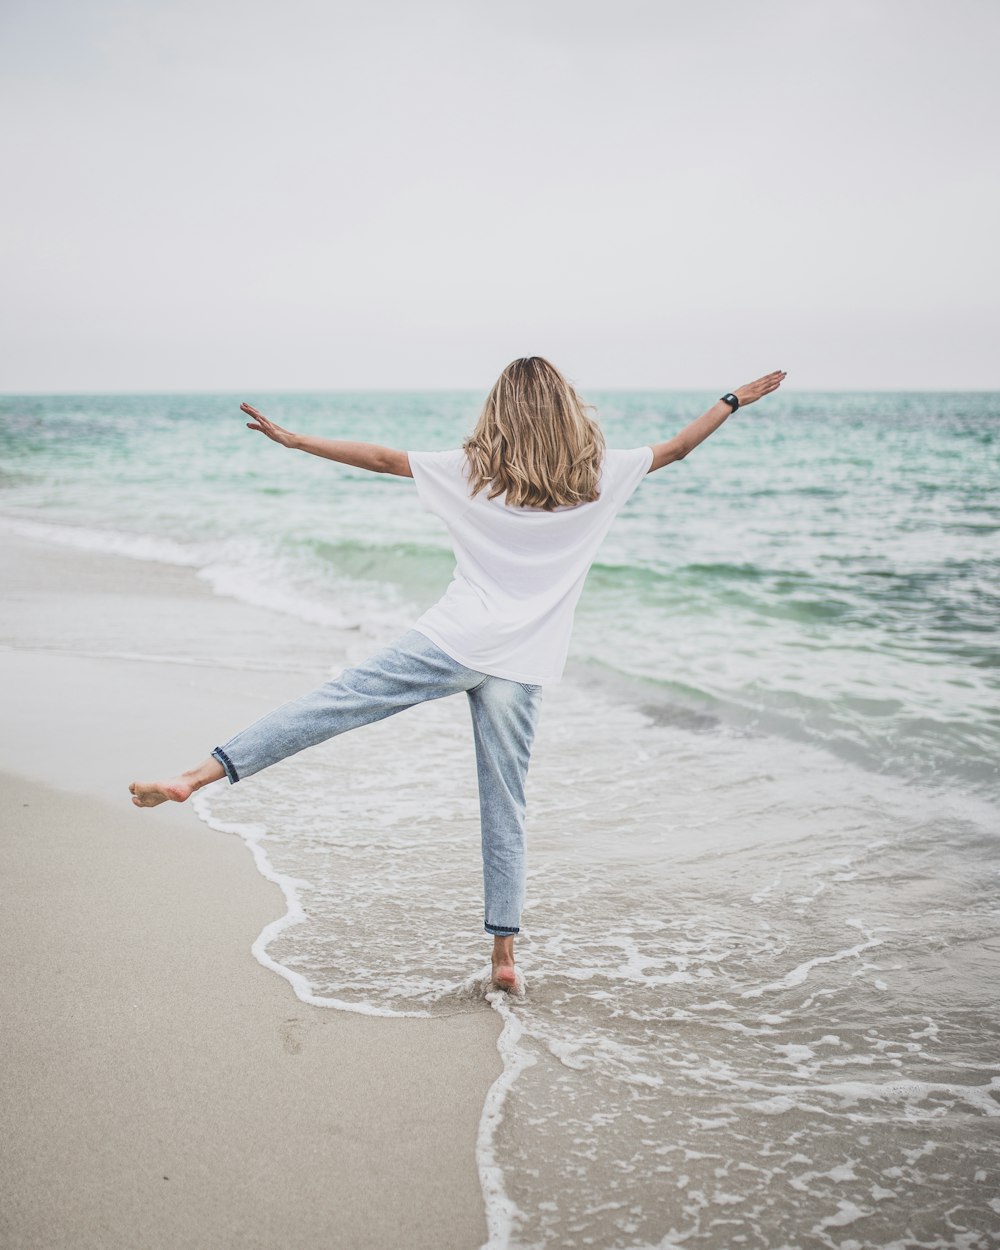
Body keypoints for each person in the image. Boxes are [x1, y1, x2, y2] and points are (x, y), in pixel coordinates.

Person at [129, 357, 786, 990]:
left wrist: (296, 441)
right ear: (569, 411)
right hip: (522, 665)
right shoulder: (602, 474)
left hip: (453, 641)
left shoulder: (472, 472)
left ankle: (194, 776)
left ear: (499, 411)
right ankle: (504, 954)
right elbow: (677, 449)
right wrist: (732, 401)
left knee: (331, 705)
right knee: (506, 805)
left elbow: (384, 459)